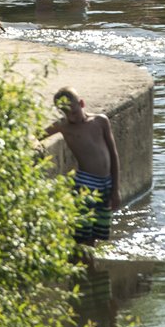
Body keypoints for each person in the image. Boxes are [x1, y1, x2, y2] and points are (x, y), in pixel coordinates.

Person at [43, 86, 121, 245]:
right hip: (85, 184)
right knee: (81, 233)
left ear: (82, 103)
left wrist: (115, 189)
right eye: (66, 114)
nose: (72, 117)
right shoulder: (64, 126)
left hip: (105, 183)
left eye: (74, 112)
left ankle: (89, 265)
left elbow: (113, 154)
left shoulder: (100, 121)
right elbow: (39, 134)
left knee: (97, 231)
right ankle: (81, 263)